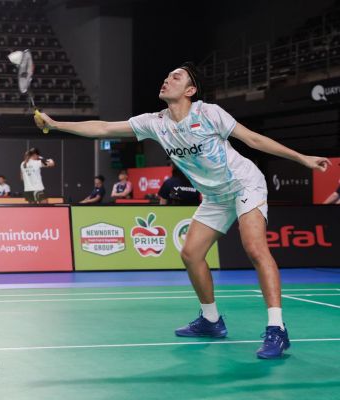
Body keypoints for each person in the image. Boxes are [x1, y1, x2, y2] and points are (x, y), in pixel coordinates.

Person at [34, 61, 331, 359]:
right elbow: (104, 127)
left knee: (254, 248)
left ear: (190, 90)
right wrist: (56, 124)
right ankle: (211, 320)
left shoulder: (209, 113)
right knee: (190, 253)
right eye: (166, 76)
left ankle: (277, 328)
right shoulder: (155, 122)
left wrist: (301, 158)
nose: (167, 80)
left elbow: (253, 139)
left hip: (244, 185)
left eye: (175, 77)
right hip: (214, 196)